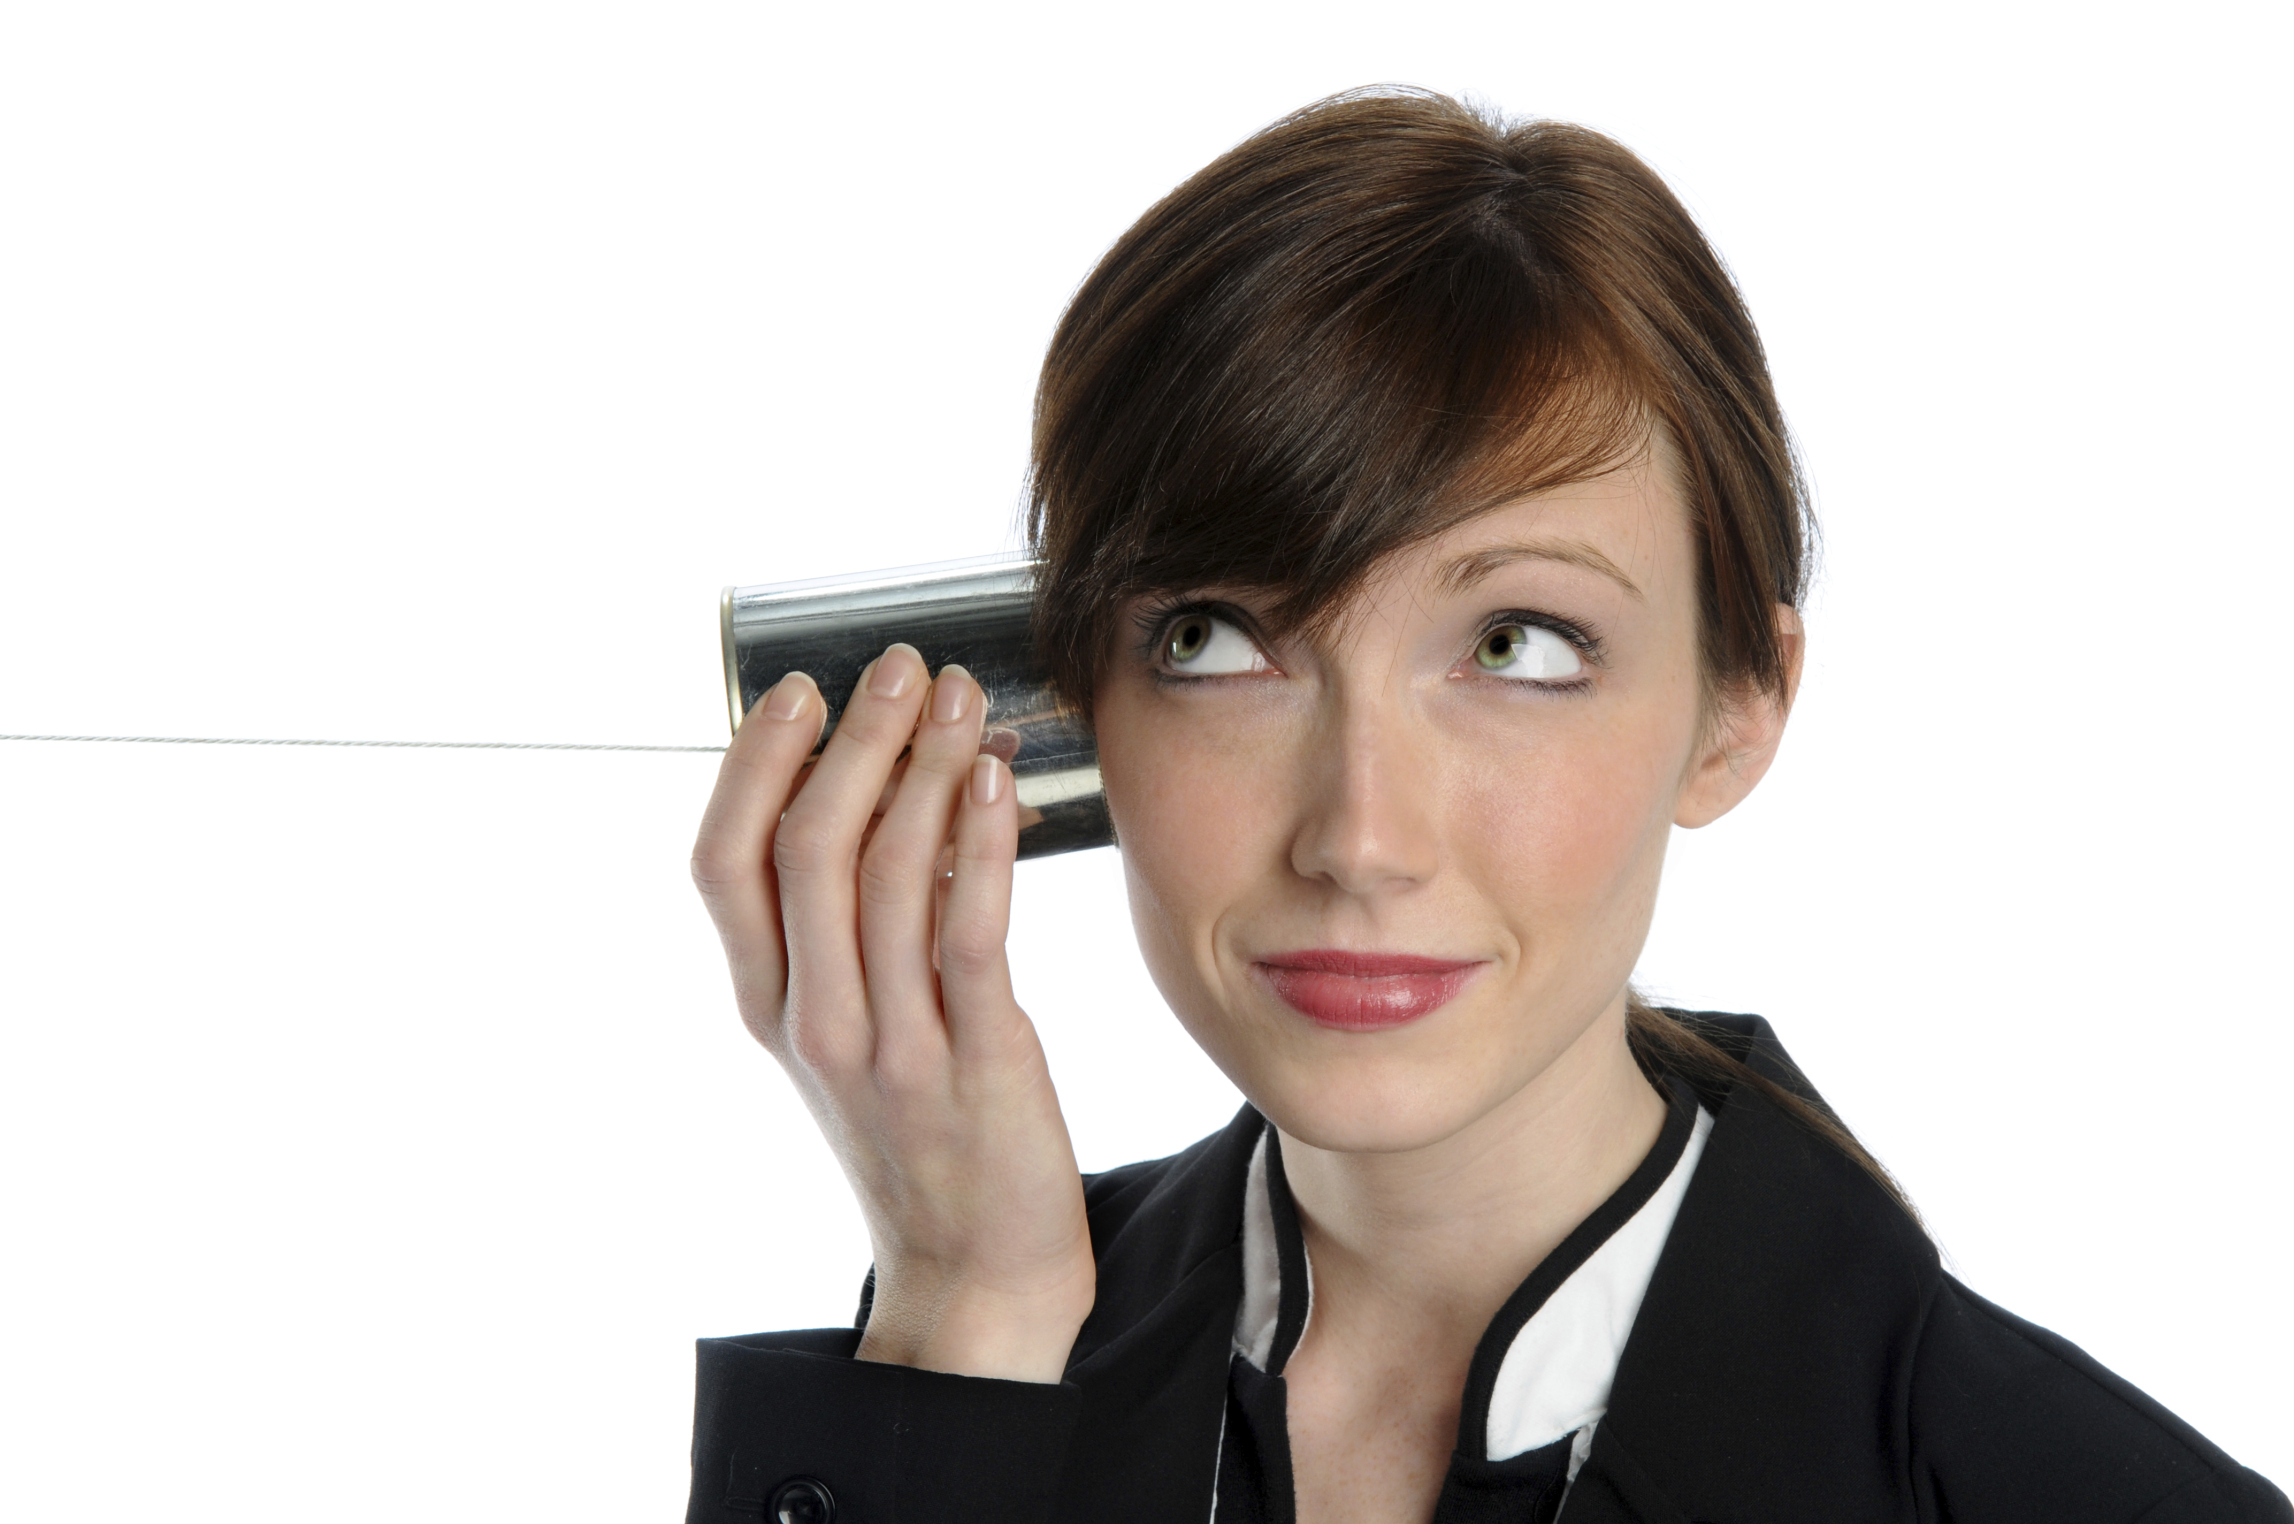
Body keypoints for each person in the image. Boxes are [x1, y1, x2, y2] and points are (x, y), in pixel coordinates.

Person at [683, 90, 2291, 1524]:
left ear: (1738, 711)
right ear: (1070, 707)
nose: (1359, 839)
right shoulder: (977, 1351)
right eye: (1215, 641)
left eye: (1519, 646)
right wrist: (960, 1332)